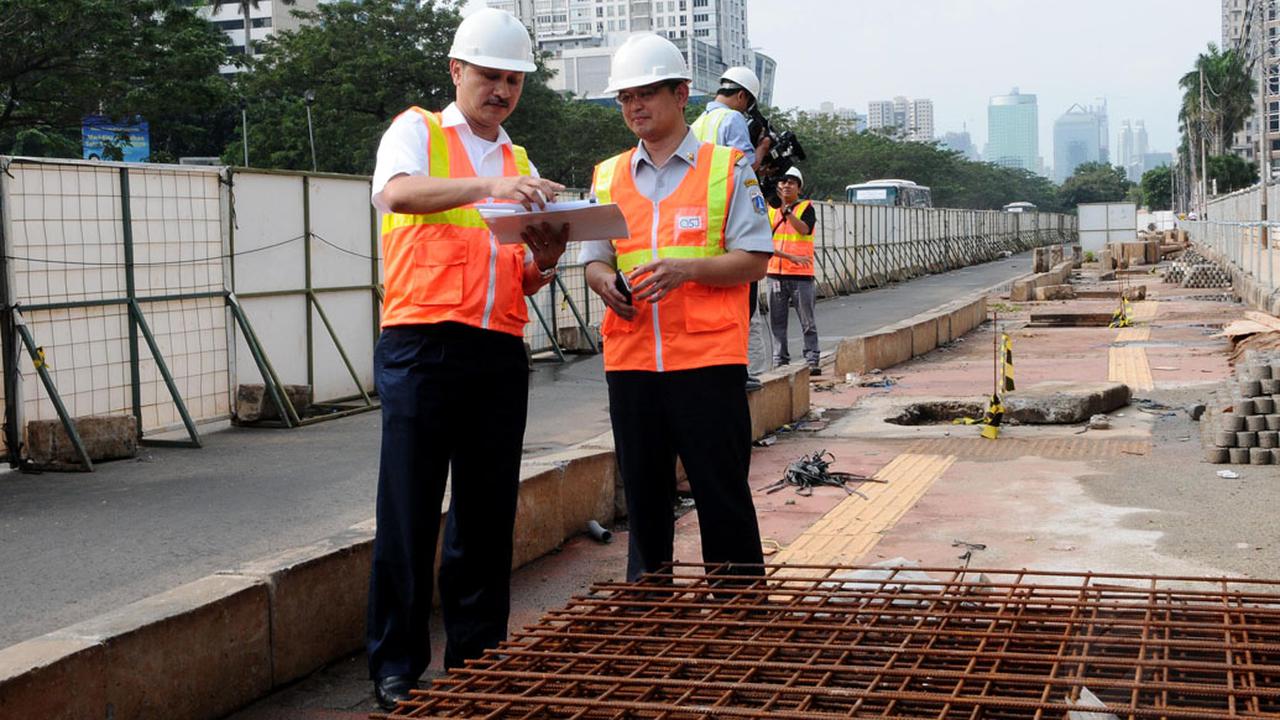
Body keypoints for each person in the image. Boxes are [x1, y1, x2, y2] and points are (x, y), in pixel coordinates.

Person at [364, 8, 569, 711]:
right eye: (490, 76)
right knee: (409, 509)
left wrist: (545, 257)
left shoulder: (521, 163)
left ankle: (479, 657)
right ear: (457, 71)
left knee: (485, 515)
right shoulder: (417, 131)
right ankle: (395, 662)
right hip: (421, 345)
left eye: (513, 81)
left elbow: (522, 271)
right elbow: (397, 194)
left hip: (496, 351)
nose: (502, 91)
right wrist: (488, 189)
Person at [580, 33, 772, 582]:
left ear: (681, 92)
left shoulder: (727, 168)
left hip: (707, 361)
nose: (634, 107)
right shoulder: (608, 176)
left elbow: (755, 258)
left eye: (646, 94)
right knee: (643, 496)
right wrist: (604, 284)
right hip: (633, 362)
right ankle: (649, 604)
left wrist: (684, 269)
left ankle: (737, 610)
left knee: (722, 493)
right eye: (625, 98)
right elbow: (595, 261)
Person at [691, 66, 774, 389]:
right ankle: (738, 372)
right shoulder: (732, 119)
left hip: (706, 220)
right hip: (732, 218)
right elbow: (742, 166)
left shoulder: (697, 124)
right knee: (742, 299)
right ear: (742, 96)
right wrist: (763, 150)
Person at [767, 166, 821, 374]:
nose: (786, 185)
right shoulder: (769, 210)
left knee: (807, 320)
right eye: (782, 182)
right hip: (775, 273)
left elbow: (803, 229)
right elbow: (763, 240)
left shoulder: (806, 207)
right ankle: (780, 360)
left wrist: (786, 210)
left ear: (799, 187)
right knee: (777, 322)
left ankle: (812, 359)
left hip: (801, 275)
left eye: (791, 182)